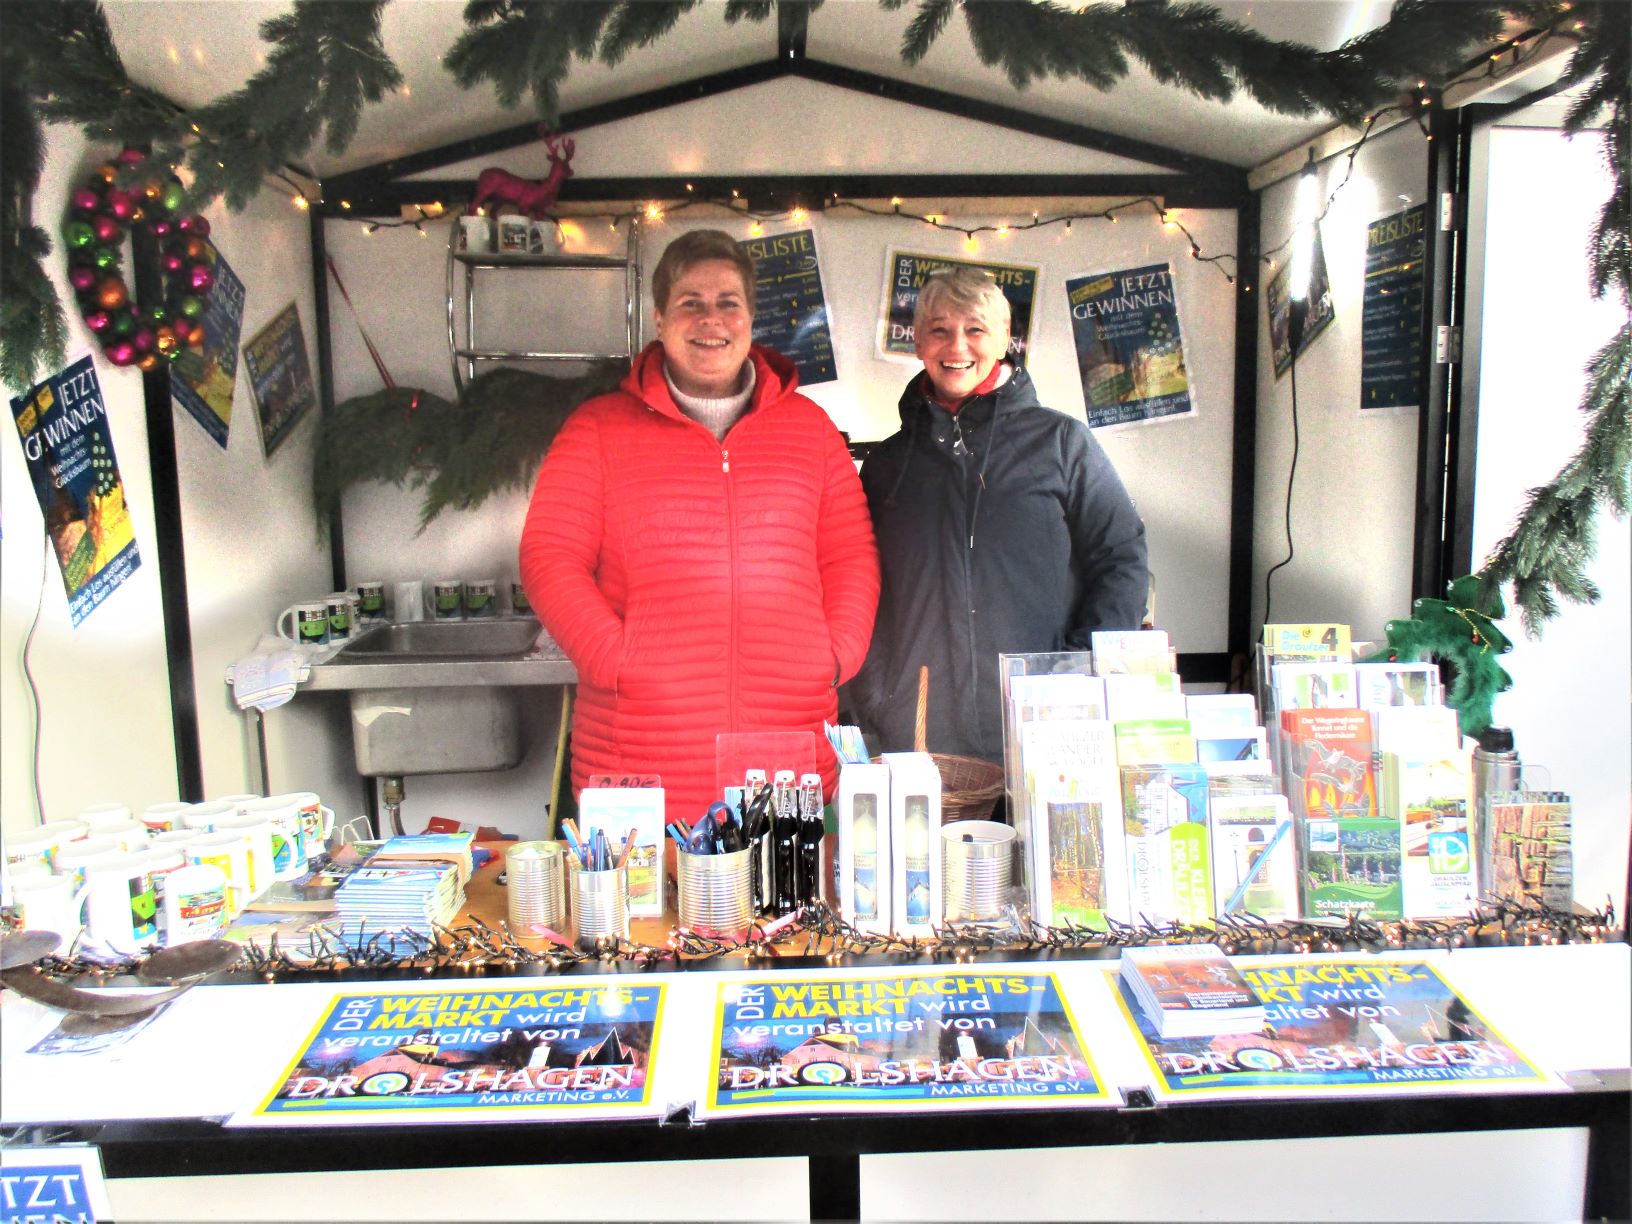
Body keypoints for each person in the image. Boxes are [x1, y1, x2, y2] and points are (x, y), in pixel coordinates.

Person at [519, 229, 879, 821]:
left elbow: (849, 555)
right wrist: (615, 658)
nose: (711, 319)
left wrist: (835, 653)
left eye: (727, 302)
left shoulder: (810, 430)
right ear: (660, 319)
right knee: (647, 889)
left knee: (782, 886)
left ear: (750, 320)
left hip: (784, 751)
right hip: (640, 754)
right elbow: (549, 557)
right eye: (691, 302)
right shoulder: (598, 430)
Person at [849, 266, 1147, 763]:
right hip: (918, 735)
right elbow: (861, 585)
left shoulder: (1061, 443)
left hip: (1042, 727)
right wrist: (879, 695)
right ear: (917, 341)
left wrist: (1076, 669)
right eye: (940, 330)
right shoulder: (887, 465)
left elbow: (1122, 560)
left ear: (1006, 338)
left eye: (975, 329)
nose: (957, 346)